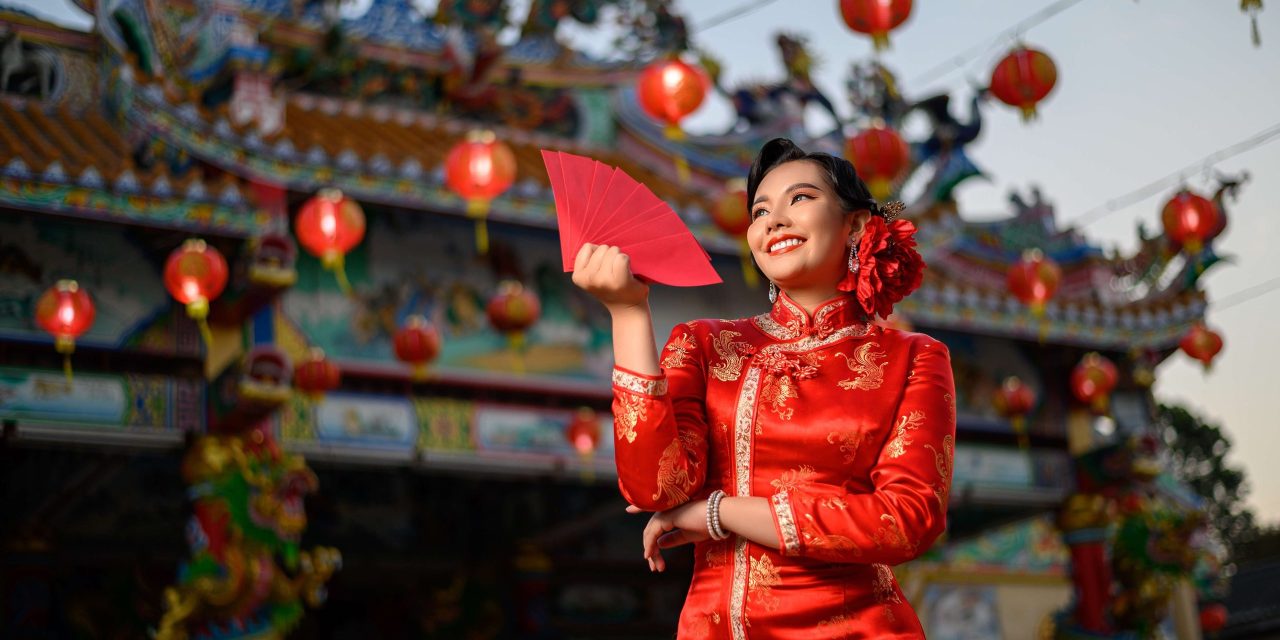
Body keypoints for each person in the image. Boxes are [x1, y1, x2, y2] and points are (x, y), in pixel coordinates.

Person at [572, 138, 956, 638]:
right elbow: (656, 487)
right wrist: (627, 314)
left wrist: (719, 513)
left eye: (799, 198)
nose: (773, 220)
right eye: (760, 210)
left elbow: (907, 519)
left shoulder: (914, 357)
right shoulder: (706, 345)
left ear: (857, 225)